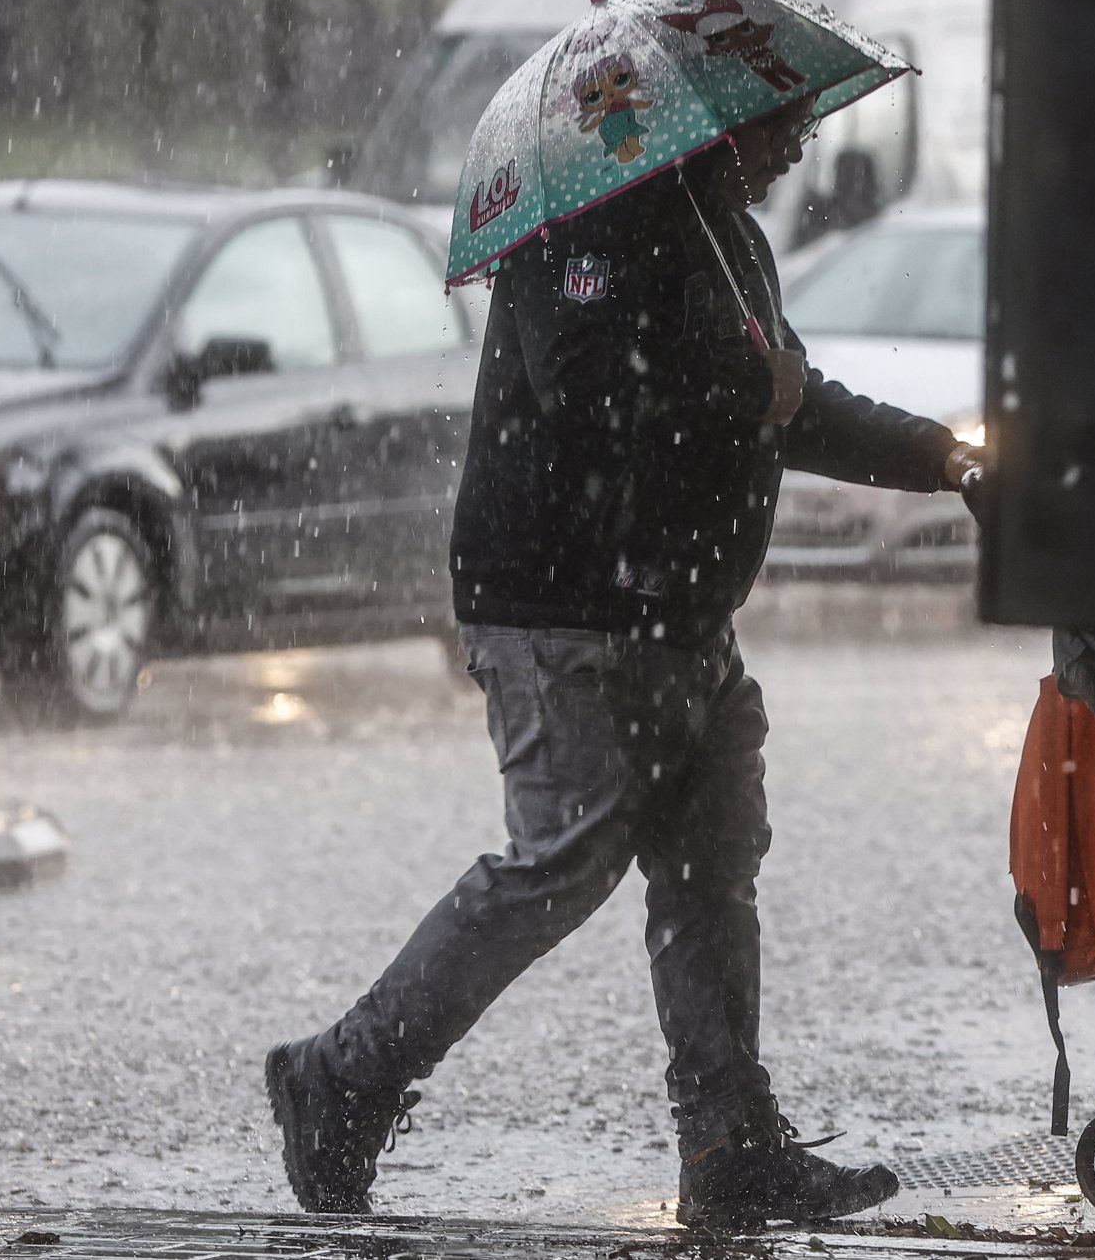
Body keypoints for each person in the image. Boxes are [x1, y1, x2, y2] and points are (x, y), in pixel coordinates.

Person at [265, 94, 981, 1230]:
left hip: (683, 613)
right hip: (567, 607)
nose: (801, 142)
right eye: (782, 121)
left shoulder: (723, 226)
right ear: (719, 119)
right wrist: (751, 390)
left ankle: (732, 1150)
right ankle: (341, 1079)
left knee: (710, 871)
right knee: (565, 857)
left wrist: (943, 458)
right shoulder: (590, 225)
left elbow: (790, 405)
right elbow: (593, 401)